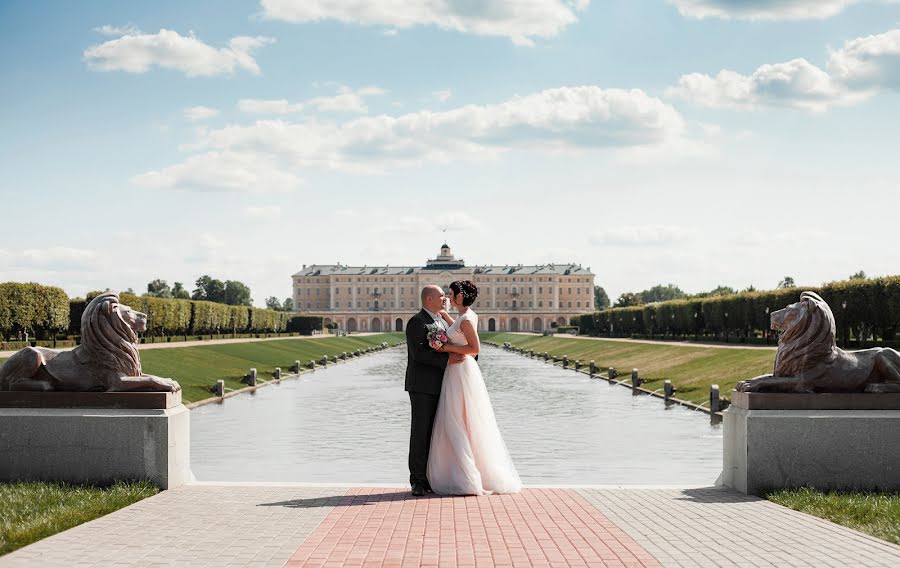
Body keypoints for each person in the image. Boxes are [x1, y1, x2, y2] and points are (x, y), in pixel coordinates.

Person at [427, 280, 522, 495]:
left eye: (451, 294)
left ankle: (465, 474)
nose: (448, 298)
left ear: (460, 297)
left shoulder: (467, 319)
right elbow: (457, 328)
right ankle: (463, 468)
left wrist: (444, 348)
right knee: (462, 418)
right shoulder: (464, 316)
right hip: (458, 371)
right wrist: (444, 317)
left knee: (457, 418)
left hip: (461, 370)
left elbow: (474, 348)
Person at [405, 285, 465, 497]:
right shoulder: (417, 322)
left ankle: (431, 476)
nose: (445, 298)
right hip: (422, 386)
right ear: (429, 299)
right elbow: (418, 354)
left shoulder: (439, 320)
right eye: (441, 295)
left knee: (436, 434)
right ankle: (418, 481)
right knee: (421, 433)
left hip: (442, 384)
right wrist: (447, 358)